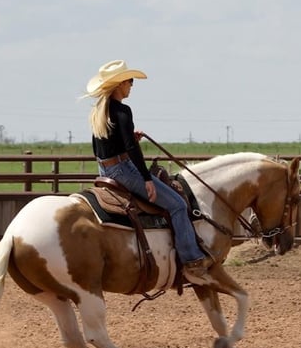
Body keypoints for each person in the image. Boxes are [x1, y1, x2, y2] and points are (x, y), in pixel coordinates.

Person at [84, 59, 213, 282]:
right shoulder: (123, 111)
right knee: (178, 205)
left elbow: (102, 146)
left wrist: (127, 141)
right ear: (120, 84)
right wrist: (146, 179)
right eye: (130, 82)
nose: (132, 86)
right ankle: (192, 260)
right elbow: (131, 149)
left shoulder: (100, 111)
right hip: (123, 170)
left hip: (105, 170)